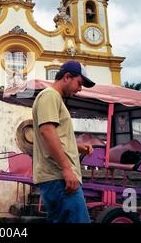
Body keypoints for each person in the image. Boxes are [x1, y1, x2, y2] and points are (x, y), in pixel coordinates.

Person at [32, 61, 95, 223]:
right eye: (79, 83)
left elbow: (56, 136)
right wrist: (67, 169)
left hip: (58, 178)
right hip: (59, 178)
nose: (80, 89)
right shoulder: (50, 95)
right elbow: (47, 131)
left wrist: (78, 147)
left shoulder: (53, 98)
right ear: (67, 77)